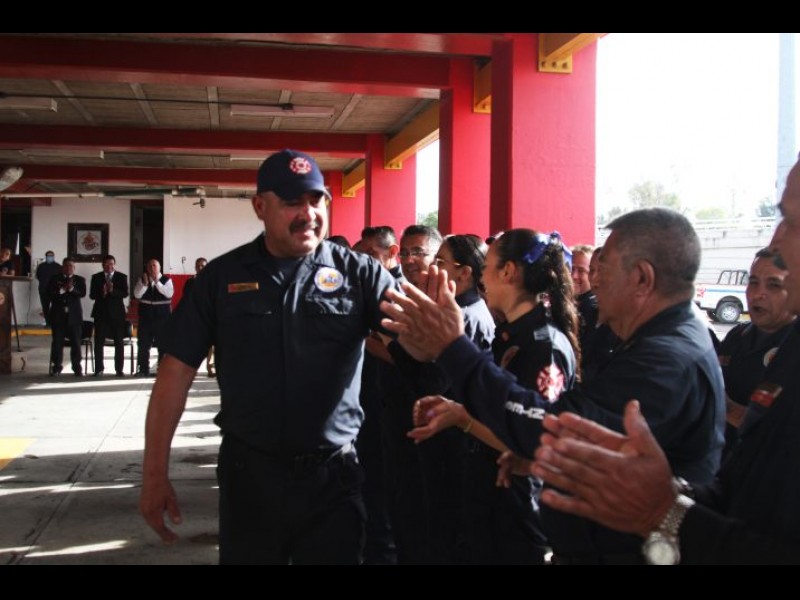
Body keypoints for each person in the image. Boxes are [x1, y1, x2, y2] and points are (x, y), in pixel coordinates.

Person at [381, 207, 725, 564]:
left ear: (641, 278)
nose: (593, 280)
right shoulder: (654, 342)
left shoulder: (666, 357)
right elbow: (594, 443)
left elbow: (554, 426)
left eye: (603, 267)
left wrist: (453, 348)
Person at [530, 157, 800, 564]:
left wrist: (665, 513)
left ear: (642, 278)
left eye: (791, 222)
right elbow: (743, 493)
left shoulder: (670, 353)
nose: (776, 241)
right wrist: (663, 495)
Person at [140, 149, 401, 565]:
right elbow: (175, 374)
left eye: (316, 200)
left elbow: (416, 343)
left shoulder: (360, 274)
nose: (308, 214)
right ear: (260, 206)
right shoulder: (221, 279)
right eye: (293, 202)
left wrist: (443, 335)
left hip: (334, 480)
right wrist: (154, 474)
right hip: (251, 479)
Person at [410, 230, 576, 565]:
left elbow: (534, 434)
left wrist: (463, 419)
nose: (481, 276)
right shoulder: (510, 334)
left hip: (518, 505)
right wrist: (458, 409)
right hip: (487, 494)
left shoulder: (543, 345)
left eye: (486, 266)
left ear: (508, 272)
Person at [718, 247, 796, 457]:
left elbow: (778, 429)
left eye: (774, 285)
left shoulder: (792, 348)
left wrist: (722, 404)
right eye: (753, 282)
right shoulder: (737, 336)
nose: (757, 294)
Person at [89, 255, 129, 376]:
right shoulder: (96, 277)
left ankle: (119, 369)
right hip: (101, 314)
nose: (109, 266)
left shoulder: (121, 277)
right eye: (106, 264)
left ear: (114, 264)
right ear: (102, 265)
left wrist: (112, 291)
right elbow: (92, 295)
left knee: (119, 342)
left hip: (117, 315)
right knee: (98, 342)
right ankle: (99, 369)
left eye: (111, 264)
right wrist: (102, 292)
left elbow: (125, 293)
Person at [133, 259, 174, 377]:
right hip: (146, 319)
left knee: (163, 345)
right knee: (143, 345)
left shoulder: (167, 280)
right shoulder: (142, 280)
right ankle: (143, 369)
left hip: (163, 319)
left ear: (159, 268)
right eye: (150, 266)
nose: (152, 268)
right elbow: (137, 295)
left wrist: (157, 282)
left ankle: (162, 370)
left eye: (154, 266)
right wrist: (145, 285)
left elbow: (169, 294)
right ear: (147, 268)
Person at [47, 258, 86, 376]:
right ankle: (57, 367)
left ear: (74, 268)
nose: (68, 268)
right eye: (66, 266)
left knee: (76, 343)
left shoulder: (79, 279)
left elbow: (82, 293)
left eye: (71, 266)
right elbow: (50, 293)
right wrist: (63, 289)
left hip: (74, 316)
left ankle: (77, 367)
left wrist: (72, 289)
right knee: (57, 343)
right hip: (58, 316)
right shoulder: (54, 279)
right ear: (62, 267)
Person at [181, 257, 214, 377]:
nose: (200, 268)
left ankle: (211, 368)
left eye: (203, 266)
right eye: (198, 266)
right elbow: (186, 298)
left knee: (212, 345)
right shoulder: (190, 282)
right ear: (195, 268)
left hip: (210, 317)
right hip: (195, 317)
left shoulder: (213, 281)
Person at [36, 250, 61, 326]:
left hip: (55, 291)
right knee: (45, 307)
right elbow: (38, 276)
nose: (50, 257)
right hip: (43, 290)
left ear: (53, 257)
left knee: (55, 307)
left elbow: (60, 278)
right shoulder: (41, 266)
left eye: (51, 256)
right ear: (46, 257)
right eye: (48, 256)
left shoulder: (58, 266)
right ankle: (48, 323)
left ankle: (54, 322)